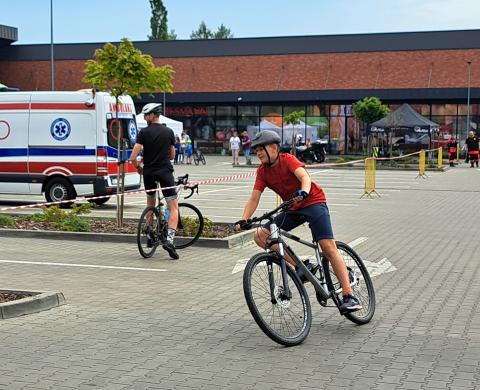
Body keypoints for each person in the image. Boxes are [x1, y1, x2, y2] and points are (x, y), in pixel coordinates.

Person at [236, 130, 362, 313]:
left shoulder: (288, 160)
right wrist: (243, 219)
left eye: (261, 149)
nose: (258, 153)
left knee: (327, 247)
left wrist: (303, 191)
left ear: (274, 148)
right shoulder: (262, 171)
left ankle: (349, 295)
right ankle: (302, 267)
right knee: (261, 236)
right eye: (256, 150)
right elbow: (254, 197)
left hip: (313, 202)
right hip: (292, 208)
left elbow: (304, 177)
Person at [129, 103, 179, 260]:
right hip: (165, 173)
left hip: (149, 173)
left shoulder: (143, 133)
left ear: (152, 115)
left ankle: (150, 233)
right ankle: (170, 240)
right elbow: (172, 155)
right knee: (173, 206)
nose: (144, 118)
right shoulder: (169, 132)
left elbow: (132, 158)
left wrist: (139, 168)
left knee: (150, 204)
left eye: (146, 115)